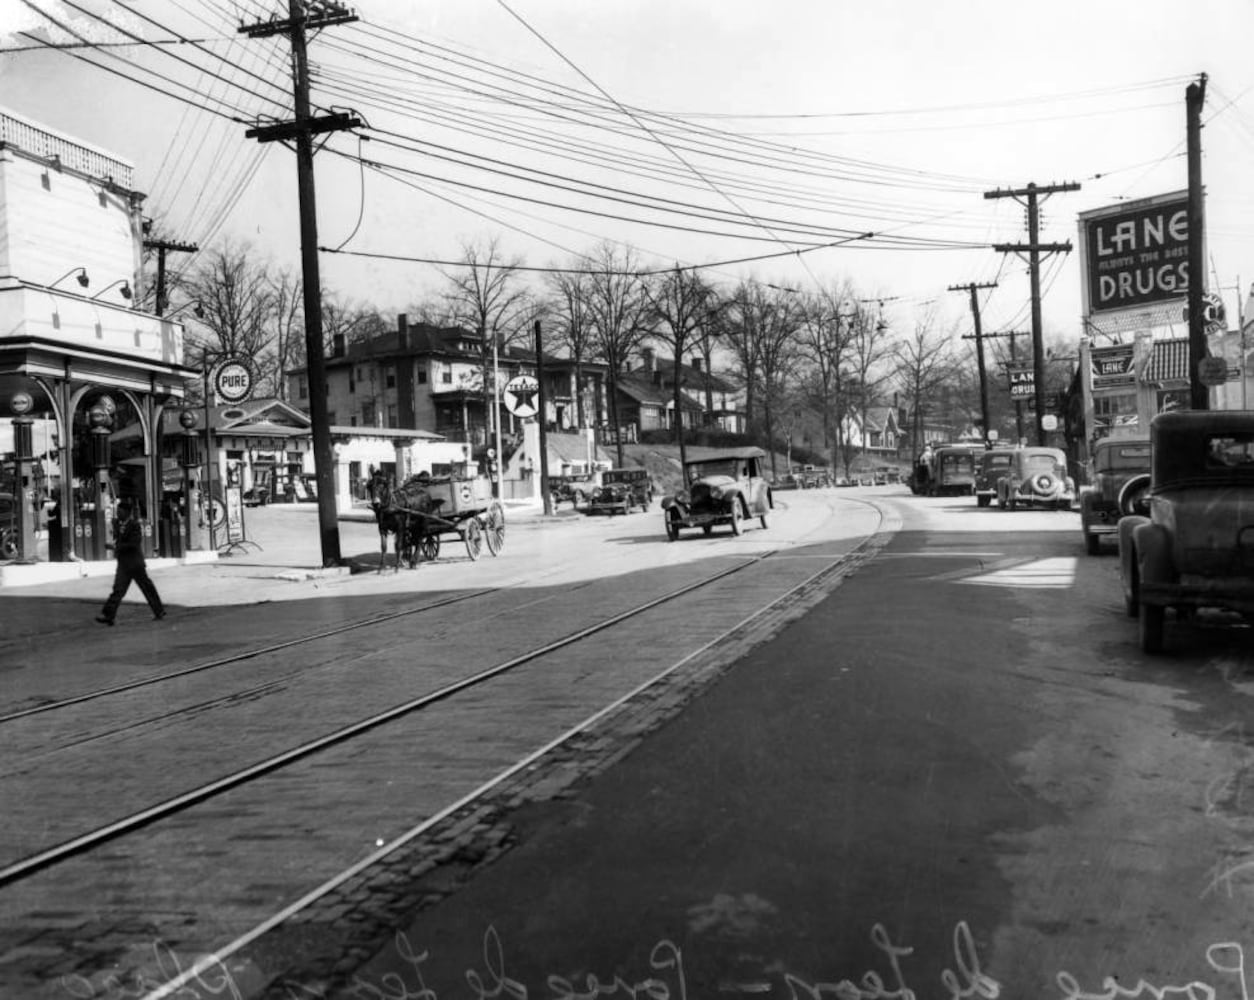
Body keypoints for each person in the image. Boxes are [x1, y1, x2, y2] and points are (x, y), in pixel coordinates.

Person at [96, 499, 165, 625]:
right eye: (117, 511)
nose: (117, 514)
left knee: (146, 587)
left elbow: (134, 543)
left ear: (127, 512)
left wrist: (115, 548)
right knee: (118, 589)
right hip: (123, 564)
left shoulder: (135, 525)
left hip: (135, 563)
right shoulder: (117, 524)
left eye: (120, 511)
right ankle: (108, 615)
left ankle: (159, 610)